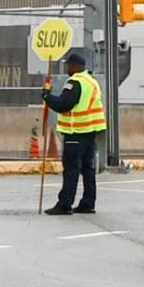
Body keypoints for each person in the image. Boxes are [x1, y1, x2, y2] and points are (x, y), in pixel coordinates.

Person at [42, 49, 106, 215]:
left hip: (75, 130)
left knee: (71, 169)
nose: (67, 69)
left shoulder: (75, 82)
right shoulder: (91, 82)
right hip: (90, 131)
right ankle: (88, 202)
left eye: (69, 65)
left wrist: (47, 97)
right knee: (87, 169)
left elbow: (64, 104)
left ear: (75, 66)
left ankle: (64, 204)